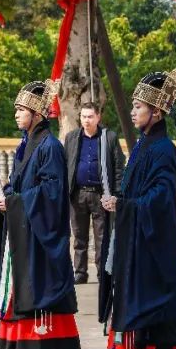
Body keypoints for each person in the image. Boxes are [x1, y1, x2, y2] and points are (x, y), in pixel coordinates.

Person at [100, 69, 176, 349]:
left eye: (139, 107)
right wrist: (120, 203)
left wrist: (125, 205)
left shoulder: (165, 150)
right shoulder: (142, 145)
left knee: (150, 316)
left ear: (156, 112)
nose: (133, 112)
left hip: (153, 249)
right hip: (134, 245)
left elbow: (160, 197)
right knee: (129, 311)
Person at [0, 80, 80, 349]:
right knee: (20, 285)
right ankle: (18, 347)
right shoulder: (25, 145)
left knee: (36, 285)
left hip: (40, 232)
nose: (17, 114)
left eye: (22, 110)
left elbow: (53, 192)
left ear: (38, 113)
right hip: (24, 228)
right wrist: (7, 198)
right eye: (17, 109)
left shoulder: (50, 147)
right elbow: (17, 184)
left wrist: (17, 202)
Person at [64, 102, 125, 284]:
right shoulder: (72, 137)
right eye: (83, 116)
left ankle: (102, 272)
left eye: (90, 116)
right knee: (79, 237)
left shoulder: (109, 137)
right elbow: (65, 163)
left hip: (101, 195)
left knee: (102, 237)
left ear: (98, 117)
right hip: (78, 194)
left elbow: (118, 168)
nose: (87, 120)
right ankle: (80, 272)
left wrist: (115, 194)